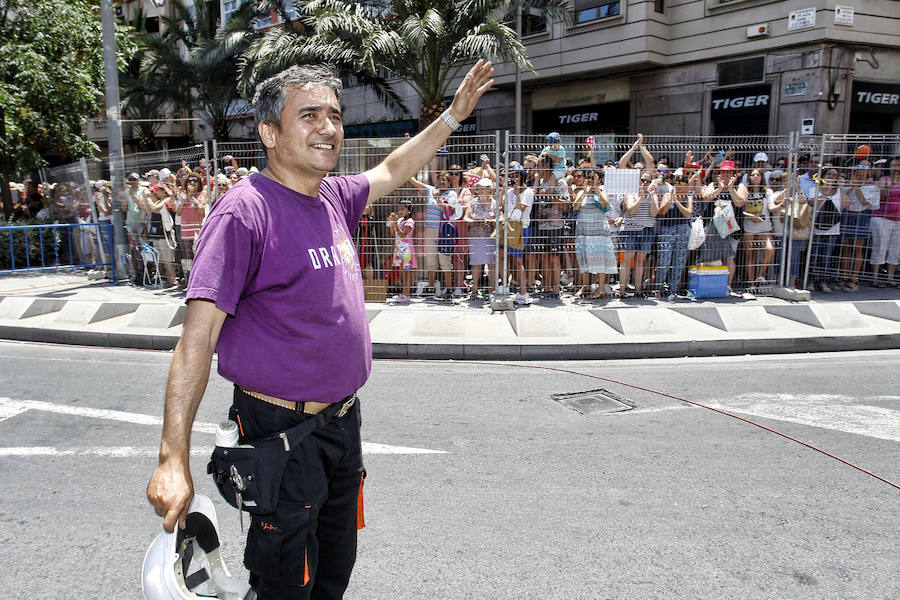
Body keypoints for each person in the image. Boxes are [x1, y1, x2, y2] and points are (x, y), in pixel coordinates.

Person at [146, 59, 494, 600]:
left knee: (333, 572)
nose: (328, 128)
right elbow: (197, 338)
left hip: (340, 427)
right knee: (286, 585)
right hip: (278, 435)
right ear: (269, 132)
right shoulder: (244, 214)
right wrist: (172, 459)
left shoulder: (331, 196)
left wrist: (452, 116)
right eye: (308, 115)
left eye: (334, 114)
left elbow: (393, 169)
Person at [573, 169, 617, 299]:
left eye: (594, 178)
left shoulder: (602, 192)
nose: (591, 180)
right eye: (589, 178)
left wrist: (596, 189)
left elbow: (605, 203)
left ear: (599, 179)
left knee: (599, 259)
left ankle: (601, 288)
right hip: (584, 231)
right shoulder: (582, 192)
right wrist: (584, 193)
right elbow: (575, 207)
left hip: (599, 233)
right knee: (584, 258)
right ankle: (585, 286)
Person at [836, 161, 879, 291]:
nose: (861, 170)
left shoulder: (873, 186)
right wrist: (851, 186)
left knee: (857, 248)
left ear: (870, 170)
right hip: (848, 215)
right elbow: (844, 198)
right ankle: (844, 277)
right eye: (859, 166)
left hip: (861, 215)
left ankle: (854, 278)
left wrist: (857, 187)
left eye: (865, 167)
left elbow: (865, 202)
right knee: (846, 248)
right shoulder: (850, 183)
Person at [619, 172, 660, 297]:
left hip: (646, 230)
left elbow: (654, 213)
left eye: (648, 181)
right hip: (630, 230)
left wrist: (651, 196)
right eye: (642, 180)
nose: (645, 183)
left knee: (640, 262)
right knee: (627, 261)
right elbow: (631, 210)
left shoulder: (654, 196)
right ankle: (622, 291)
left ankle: (638, 290)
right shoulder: (630, 194)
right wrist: (641, 197)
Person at [739, 168, 777, 288]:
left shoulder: (768, 192)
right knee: (750, 255)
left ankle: (760, 276)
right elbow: (741, 210)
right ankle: (751, 283)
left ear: (762, 177)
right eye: (752, 175)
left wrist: (781, 205)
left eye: (757, 175)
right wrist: (752, 216)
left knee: (770, 249)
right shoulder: (745, 190)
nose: (755, 177)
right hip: (749, 227)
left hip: (764, 227)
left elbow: (771, 207)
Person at [869, 156, 900, 288]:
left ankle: (890, 277)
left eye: (898, 165)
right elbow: (882, 195)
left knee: (895, 249)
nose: (896, 168)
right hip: (882, 218)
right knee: (880, 247)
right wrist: (893, 182)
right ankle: (875, 277)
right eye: (893, 165)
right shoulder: (884, 180)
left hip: (898, 219)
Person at [463, 177, 496, 299]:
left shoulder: (495, 203)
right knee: (476, 264)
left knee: (491, 264)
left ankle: (492, 290)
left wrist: (490, 221)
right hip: (476, 237)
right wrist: (474, 221)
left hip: (491, 237)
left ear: (490, 190)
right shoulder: (473, 202)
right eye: (480, 188)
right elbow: (466, 218)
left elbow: (501, 218)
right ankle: (475, 290)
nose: (482, 190)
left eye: (485, 188)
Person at [387, 199, 416, 302]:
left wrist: (395, 223)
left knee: (407, 272)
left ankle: (407, 294)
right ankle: (403, 293)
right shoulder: (399, 220)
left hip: (406, 250)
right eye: (399, 209)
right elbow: (393, 234)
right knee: (402, 271)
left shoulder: (409, 221)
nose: (400, 211)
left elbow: (403, 235)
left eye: (403, 209)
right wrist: (391, 223)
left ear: (409, 210)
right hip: (399, 249)